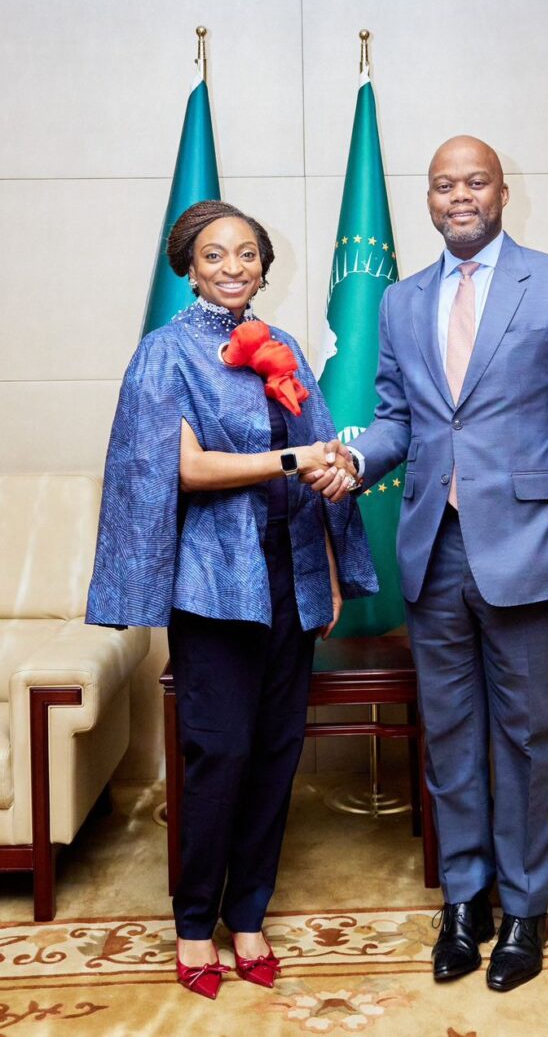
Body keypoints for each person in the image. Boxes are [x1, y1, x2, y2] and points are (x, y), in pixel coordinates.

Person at [307, 136, 548, 992]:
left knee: (526, 734)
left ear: (503, 192)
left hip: (528, 550)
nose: (459, 197)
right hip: (431, 550)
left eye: (474, 181)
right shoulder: (405, 303)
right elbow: (396, 419)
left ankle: (525, 910)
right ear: (428, 199)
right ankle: (465, 902)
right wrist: (353, 459)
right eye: (444, 185)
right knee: (447, 735)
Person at [86, 200, 377, 1000]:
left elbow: (324, 462)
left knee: (279, 753)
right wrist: (291, 457)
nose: (233, 266)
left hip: (290, 579)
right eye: (215, 255)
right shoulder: (164, 353)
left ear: (263, 266)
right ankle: (191, 924)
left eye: (247, 253)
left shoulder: (282, 349)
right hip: (213, 588)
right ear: (189, 265)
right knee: (221, 755)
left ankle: (248, 913)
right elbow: (185, 469)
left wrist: (329, 564)